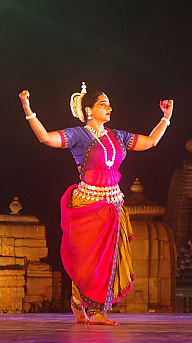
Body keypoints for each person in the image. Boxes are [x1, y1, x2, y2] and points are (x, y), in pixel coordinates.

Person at [19, 83, 174, 326]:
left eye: (109, 104)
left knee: (105, 258)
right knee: (86, 258)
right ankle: (90, 308)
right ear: (89, 110)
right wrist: (29, 110)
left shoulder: (118, 136)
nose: (110, 108)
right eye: (103, 104)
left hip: (112, 204)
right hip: (86, 204)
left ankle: (87, 306)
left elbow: (150, 142)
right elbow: (46, 139)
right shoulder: (78, 136)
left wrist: (165, 118)